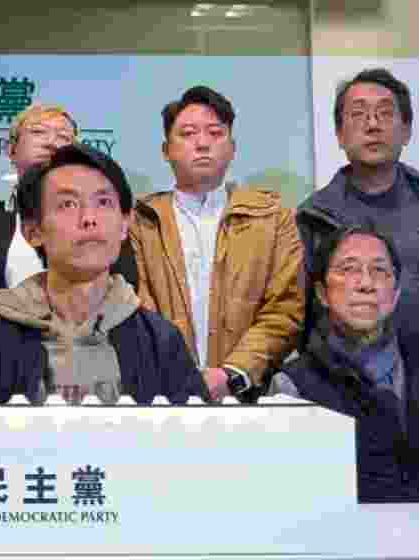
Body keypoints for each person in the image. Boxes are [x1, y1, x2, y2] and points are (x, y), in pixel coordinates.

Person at [0, 143, 205, 405]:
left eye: (104, 202)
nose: (89, 218)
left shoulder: (161, 342)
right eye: (68, 204)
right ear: (33, 231)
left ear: (125, 225)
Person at [130, 86, 303, 401]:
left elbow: (286, 309)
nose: (202, 143)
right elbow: (136, 305)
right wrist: (178, 374)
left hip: (251, 395)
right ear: (166, 149)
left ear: (233, 147)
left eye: (215, 132)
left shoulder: (274, 217)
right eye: (188, 133)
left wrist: (233, 373)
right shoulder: (139, 221)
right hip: (160, 396)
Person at [0, 103, 137, 349]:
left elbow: (122, 288)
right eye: (38, 132)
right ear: (11, 149)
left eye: (64, 137)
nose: (52, 142)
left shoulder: (101, 217)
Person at [270, 223, 419, 502]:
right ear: (322, 293)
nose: (365, 284)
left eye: (379, 270)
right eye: (348, 269)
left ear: (396, 293)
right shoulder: (293, 387)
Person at [298, 68, 419, 338]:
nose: (372, 124)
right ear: (340, 135)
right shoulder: (313, 217)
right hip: (347, 374)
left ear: (407, 131)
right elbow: (301, 317)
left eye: (385, 113)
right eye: (358, 114)